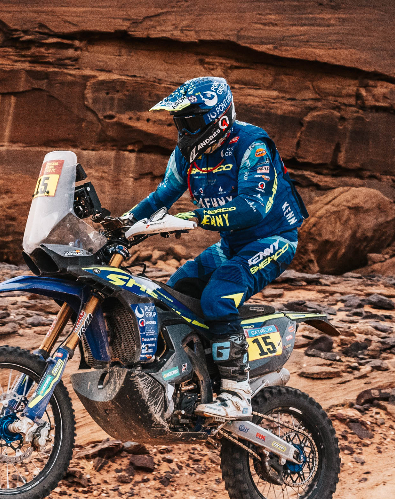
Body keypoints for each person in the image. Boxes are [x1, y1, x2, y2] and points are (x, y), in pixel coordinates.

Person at [122, 76, 306, 418]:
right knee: (174, 294)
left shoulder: (253, 145)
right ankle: (191, 384)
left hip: (272, 239)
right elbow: (162, 196)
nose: (183, 128)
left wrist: (193, 218)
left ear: (218, 118)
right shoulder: (186, 154)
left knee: (218, 296)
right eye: (180, 120)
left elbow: (253, 206)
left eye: (191, 120)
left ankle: (237, 393)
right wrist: (121, 225)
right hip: (232, 244)